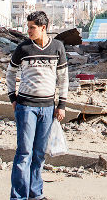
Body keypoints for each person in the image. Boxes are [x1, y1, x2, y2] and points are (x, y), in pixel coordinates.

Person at [6, 11, 68, 200]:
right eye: (28, 27)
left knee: (39, 153)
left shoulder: (57, 47)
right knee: (24, 153)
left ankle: (36, 194)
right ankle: (18, 197)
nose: (29, 31)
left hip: (48, 108)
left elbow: (63, 78)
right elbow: (10, 73)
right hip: (26, 108)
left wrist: (62, 105)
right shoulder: (23, 49)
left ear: (43, 28)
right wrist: (13, 98)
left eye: (32, 27)